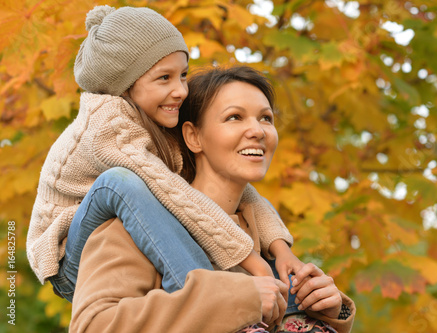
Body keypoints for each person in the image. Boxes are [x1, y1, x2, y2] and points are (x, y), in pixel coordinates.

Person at [26, 4, 295, 305]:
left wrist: (280, 248)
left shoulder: (158, 116)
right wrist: (252, 261)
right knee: (119, 182)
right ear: (124, 85)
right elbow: (167, 190)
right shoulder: (107, 124)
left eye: (183, 74)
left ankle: (291, 305)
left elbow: (245, 193)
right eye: (164, 78)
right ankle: (208, 302)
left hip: (130, 241)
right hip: (71, 257)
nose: (181, 89)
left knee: (211, 186)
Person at [69, 66, 356, 333]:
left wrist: (327, 311)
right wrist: (234, 299)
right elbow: (93, 325)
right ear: (194, 137)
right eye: (234, 117)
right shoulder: (138, 221)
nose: (258, 131)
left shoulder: (265, 235)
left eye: (266, 118)